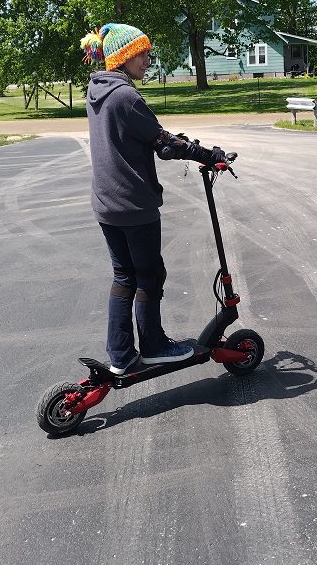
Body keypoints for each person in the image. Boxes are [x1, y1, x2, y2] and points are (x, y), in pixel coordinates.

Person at [81, 23, 227, 375]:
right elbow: (164, 143)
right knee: (149, 275)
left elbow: (145, 138)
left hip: (107, 203)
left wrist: (173, 142)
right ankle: (154, 346)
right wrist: (208, 155)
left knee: (124, 277)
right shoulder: (126, 97)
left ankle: (120, 355)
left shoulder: (97, 89)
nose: (148, 60)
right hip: (134, 203)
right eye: (142, 54)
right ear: (124, 57)